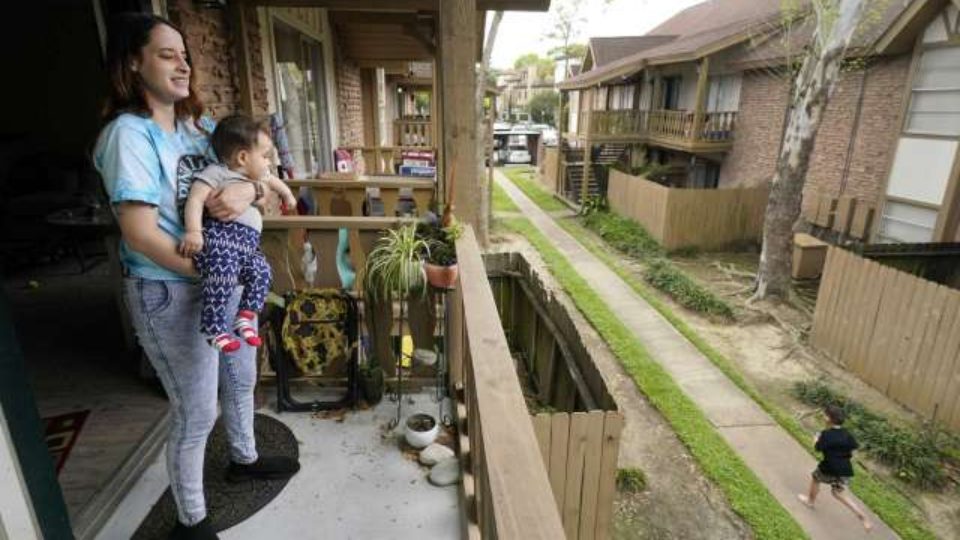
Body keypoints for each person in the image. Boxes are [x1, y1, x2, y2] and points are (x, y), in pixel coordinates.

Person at [93, 14, 299, 540]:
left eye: (184, 53)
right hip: (169, 290)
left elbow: (248, 171)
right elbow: (139, 233)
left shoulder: (200, 130)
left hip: (220, 277)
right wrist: (213, 277)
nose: (183, 62)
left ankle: (245, 459)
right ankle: (191, 520)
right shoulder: (128, 137)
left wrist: (250, 193)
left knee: (241, 379)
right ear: (132, 63)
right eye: (166, 53)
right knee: (196, 411)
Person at [179, 114, 297, 352]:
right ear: (243, 157)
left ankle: (245, 316)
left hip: (247, 247)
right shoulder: (217, 173)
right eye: (265, 156)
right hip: (222, 242)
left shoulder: (257, 177)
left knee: (262, 271)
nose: (269, 163)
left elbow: (274, 181)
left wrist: (288, 196)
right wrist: (193, 231)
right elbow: (195, 198)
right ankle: (213, 326)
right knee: (222, 276)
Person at [797, 404, 872, 532]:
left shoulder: (826, 435)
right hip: (845, 469)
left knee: (816, 478)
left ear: (828, 419)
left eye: (825, 415)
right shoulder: (847, 434)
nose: (823, 416)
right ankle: (862, 516)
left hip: (829, 467)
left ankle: (810, 501)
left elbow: (817, 448)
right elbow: (853, 448)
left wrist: (815, 439)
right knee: (837, 492)